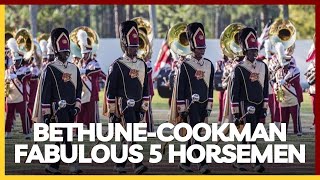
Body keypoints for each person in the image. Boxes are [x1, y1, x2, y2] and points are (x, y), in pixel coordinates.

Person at [32, 28, 83, 174]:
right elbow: (46, 93)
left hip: (71, 109)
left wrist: (77, 106)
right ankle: (73, 164)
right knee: (66, 135)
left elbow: (79, 89)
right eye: (63, 51)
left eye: (67, 51)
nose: (66, 54)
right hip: (57, 109)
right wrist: (47, 114)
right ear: (56, 51)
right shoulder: (50, 68)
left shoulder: (74, 68)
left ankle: (52, 166)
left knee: (61, 137)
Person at [104, 20, 149, 174]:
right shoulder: (116, 65)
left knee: (127, 135)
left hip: (137, 106)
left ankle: (120, 164)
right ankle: (137, 164)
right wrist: (112, 112)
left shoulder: (143, 65)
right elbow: (110, 91)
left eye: (136, 46)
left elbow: (146, 89)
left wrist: (144, 108)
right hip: (123, 106)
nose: (135, 49)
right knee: (131, 133)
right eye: (132, 46)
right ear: (125, 45)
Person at [173, 22, 213, 174]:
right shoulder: (185, 65)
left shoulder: (209, 64)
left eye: (203, 48)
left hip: (203, 106)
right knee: (195, 135)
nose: (201, 51)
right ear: (192, 47)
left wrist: (209, 106)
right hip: (190, 106)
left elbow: (210, 88)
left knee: (194, 134)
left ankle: (185, 162)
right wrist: (182, 109)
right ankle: (202, 164)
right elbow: (181, 89)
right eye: (199, 48)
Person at [230, 27, 268, 173]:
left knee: (250, 134)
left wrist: (264, 108)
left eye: (255, 50)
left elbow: (265, 89)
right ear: (245, 51)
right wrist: (236, 113)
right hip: (246, 105)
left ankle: (238, 161)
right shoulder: (239, 68)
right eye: (251, 51)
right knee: (251, 134)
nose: (254, 53)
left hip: (258, 105)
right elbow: (235, 92)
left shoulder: (263, 66)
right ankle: (257, 163)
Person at [273, 42, 303, 136]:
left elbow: (295, 75)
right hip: (283, 96)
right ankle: (283, 132)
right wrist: (275, 87)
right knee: (283, 117)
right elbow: (275, 81)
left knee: (295, 116)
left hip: (293, 95)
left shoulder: (295, 69)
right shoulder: (278, 72)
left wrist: (285, 80)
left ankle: (297, 131)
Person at [75, 29, 102, 130]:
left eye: (86, 54)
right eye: (83, 54)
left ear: (90, 53)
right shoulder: (80, 63)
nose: (84, 56)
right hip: (82, 92)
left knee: (92, 114)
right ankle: (76, 131)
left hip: (91, 93)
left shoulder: (94, 62)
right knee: (79, 112)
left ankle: (95, 131)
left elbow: (97, 71)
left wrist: (85, 72)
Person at [5, 38, 32, 139]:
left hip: (21, 95)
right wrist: (7, 79)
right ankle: (8, 132)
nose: (16, 62)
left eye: (17, 61)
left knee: (24, 115)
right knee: (9, 115)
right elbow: (5, 82)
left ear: (21, 60)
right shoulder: (9, 70)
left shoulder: (25, 69)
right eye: (14, 60)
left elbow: (28, 76)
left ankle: (27, 133)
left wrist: (16, 76)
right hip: (10, 96)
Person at [215, 54, 228, 125]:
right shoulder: (219, 62)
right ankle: (220, 118)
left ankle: (225, 119)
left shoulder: (231, 62)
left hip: (227, 84)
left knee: (226, 102)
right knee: (221, 101)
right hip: (221, 84)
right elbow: (218, 72)